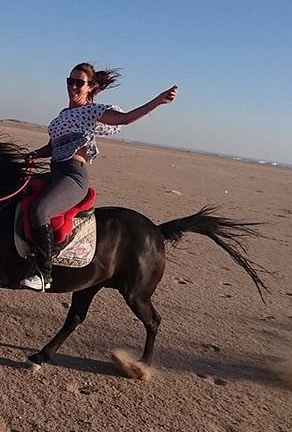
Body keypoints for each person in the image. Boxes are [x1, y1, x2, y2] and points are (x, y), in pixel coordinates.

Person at [20, 62, 178, 291]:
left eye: (79, 82)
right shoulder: (64, 114)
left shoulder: (91, 111)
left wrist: (158, 101)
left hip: (73, 177)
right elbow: (53, 145)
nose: (73, 86)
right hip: (55, 172)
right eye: (70, 81)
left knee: (40, 210)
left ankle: (44, 273)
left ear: (90, 87)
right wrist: (34, 154)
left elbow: (125, 118)